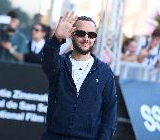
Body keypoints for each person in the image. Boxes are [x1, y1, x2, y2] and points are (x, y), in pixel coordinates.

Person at [41, 12, 117, 140]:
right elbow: (47, 60)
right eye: (81, 33)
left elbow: (110, 111)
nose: (86, 38)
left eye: (91, 34)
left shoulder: (104, 71)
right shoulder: (60, 64)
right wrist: (56, 39)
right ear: (72, 35)